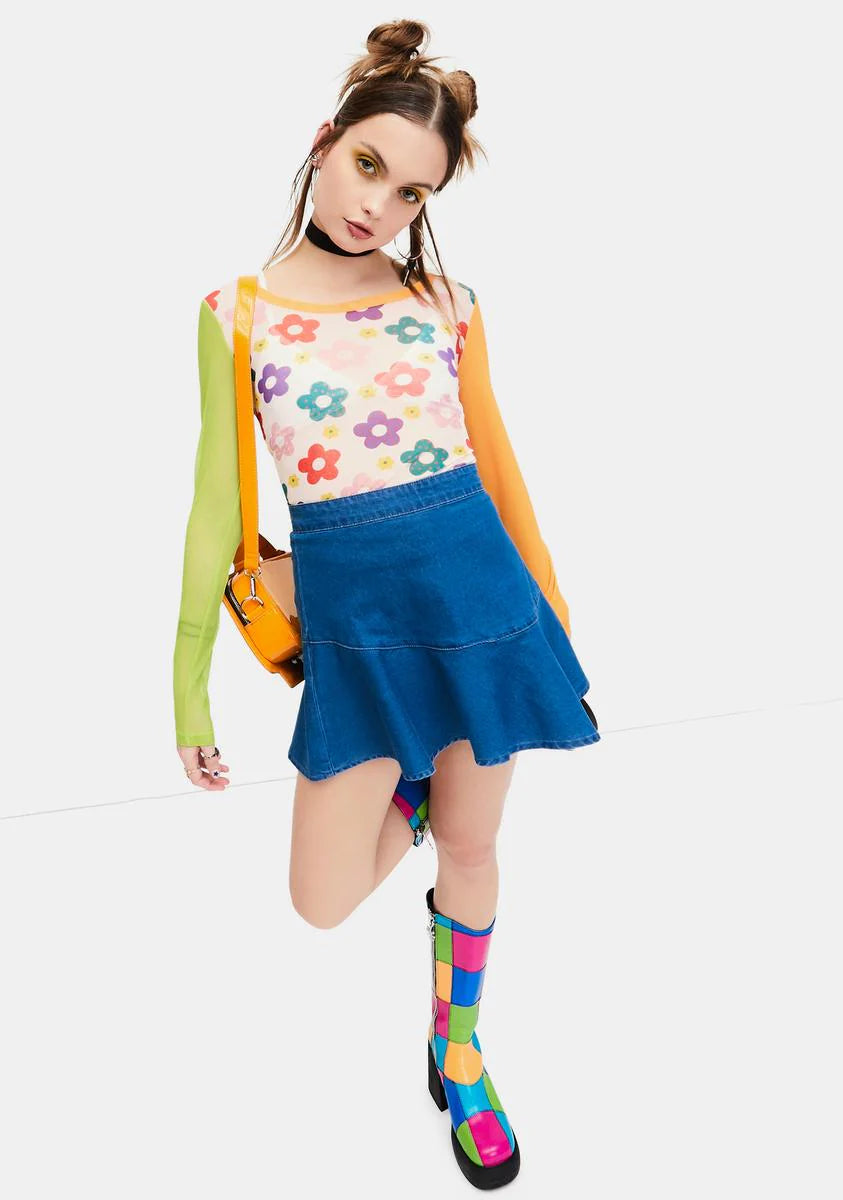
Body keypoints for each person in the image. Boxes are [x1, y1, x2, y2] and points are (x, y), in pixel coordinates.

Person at [172, 19, 600, 1189]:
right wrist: (188, 684)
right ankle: (411, 793)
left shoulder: (447, 302)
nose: (380, 205)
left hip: (483, 613)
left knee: (474, 844)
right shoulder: (237, 312)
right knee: (319, 900)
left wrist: (553, 623)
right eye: (369, 165)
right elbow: (217, 511)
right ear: (326, 141)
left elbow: (501, 473)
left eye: (411, 192)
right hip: (358, 641)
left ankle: (460, 1053)